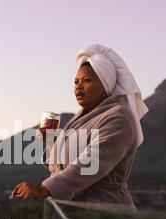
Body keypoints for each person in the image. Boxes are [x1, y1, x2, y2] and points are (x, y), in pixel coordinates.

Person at [11, 44, 149, 207]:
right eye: (76, 82)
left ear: (106, 85)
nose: (78, 86)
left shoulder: (118, 118)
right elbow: (61, 165)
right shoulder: (80, 119)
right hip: (76, 213)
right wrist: (51, 141)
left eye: (87, 80)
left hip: (106, 214)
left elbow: (90, 163)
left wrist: (44, 190)